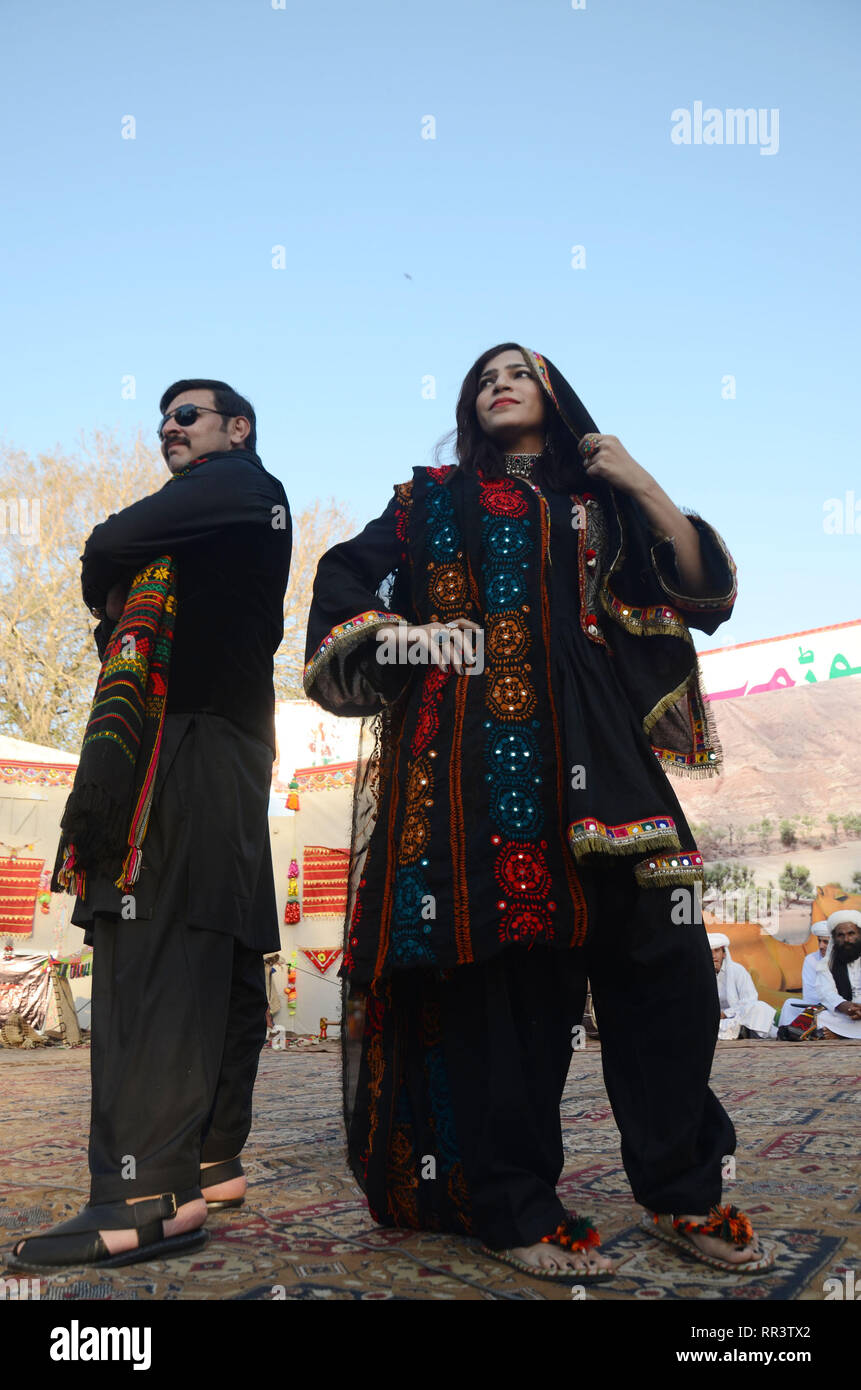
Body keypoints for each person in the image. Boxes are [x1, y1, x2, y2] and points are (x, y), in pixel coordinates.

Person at [303, 344, 770, 1279]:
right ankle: (515, 1207)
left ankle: (684, 1192)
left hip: (612, 763)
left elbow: (700, 589)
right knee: (512, 998)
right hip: (483, 763)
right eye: (483, 378)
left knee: (666, 975)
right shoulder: (428, 500)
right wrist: (409, 635)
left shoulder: (602, 503)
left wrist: (635, 474)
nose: (498, 384)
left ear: (555, 396)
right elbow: (342, 581)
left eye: (519, 370)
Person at [10, 380, 291, 1271]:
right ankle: (209, 1159)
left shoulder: (247, 488)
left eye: (186, 416)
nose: (166, 429)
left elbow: (105, 546)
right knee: (225, 943)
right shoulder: (219, 516)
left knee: (158, 943)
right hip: (223, 742)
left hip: (189, 739)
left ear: (235, 429)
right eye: (161, 418)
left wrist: (115, 563)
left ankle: (144, 1199)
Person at [708, 932, 777, 1039]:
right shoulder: (699, 974)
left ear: (724, 953)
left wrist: (725, 1014)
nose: (713, 956)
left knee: (759, 1007)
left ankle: (736, 1029)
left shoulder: (737, 970)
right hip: (711, 1018)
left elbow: (750, 999)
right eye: (709, 952)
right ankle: (737, 1030)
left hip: (736, 1015)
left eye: (717, 951)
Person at [814, 910, 861, 1039]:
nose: (847, 939)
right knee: (820, 1017)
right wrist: (847, 1007)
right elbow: (826, 992)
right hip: (847, 1014)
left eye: (851, 933)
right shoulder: (827, 964)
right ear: (834, 939)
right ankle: (845, 1033)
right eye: (841, 935)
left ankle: (840, 1034)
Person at [776, 923, 831, 1029]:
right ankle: (787, 1035)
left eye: (826, 942)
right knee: (790, 1004)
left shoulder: (846, 959)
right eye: (819, 941)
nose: (821, 946)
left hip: (841, 1008)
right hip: (817, 1006)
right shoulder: (811, 959)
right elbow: (809, 994)